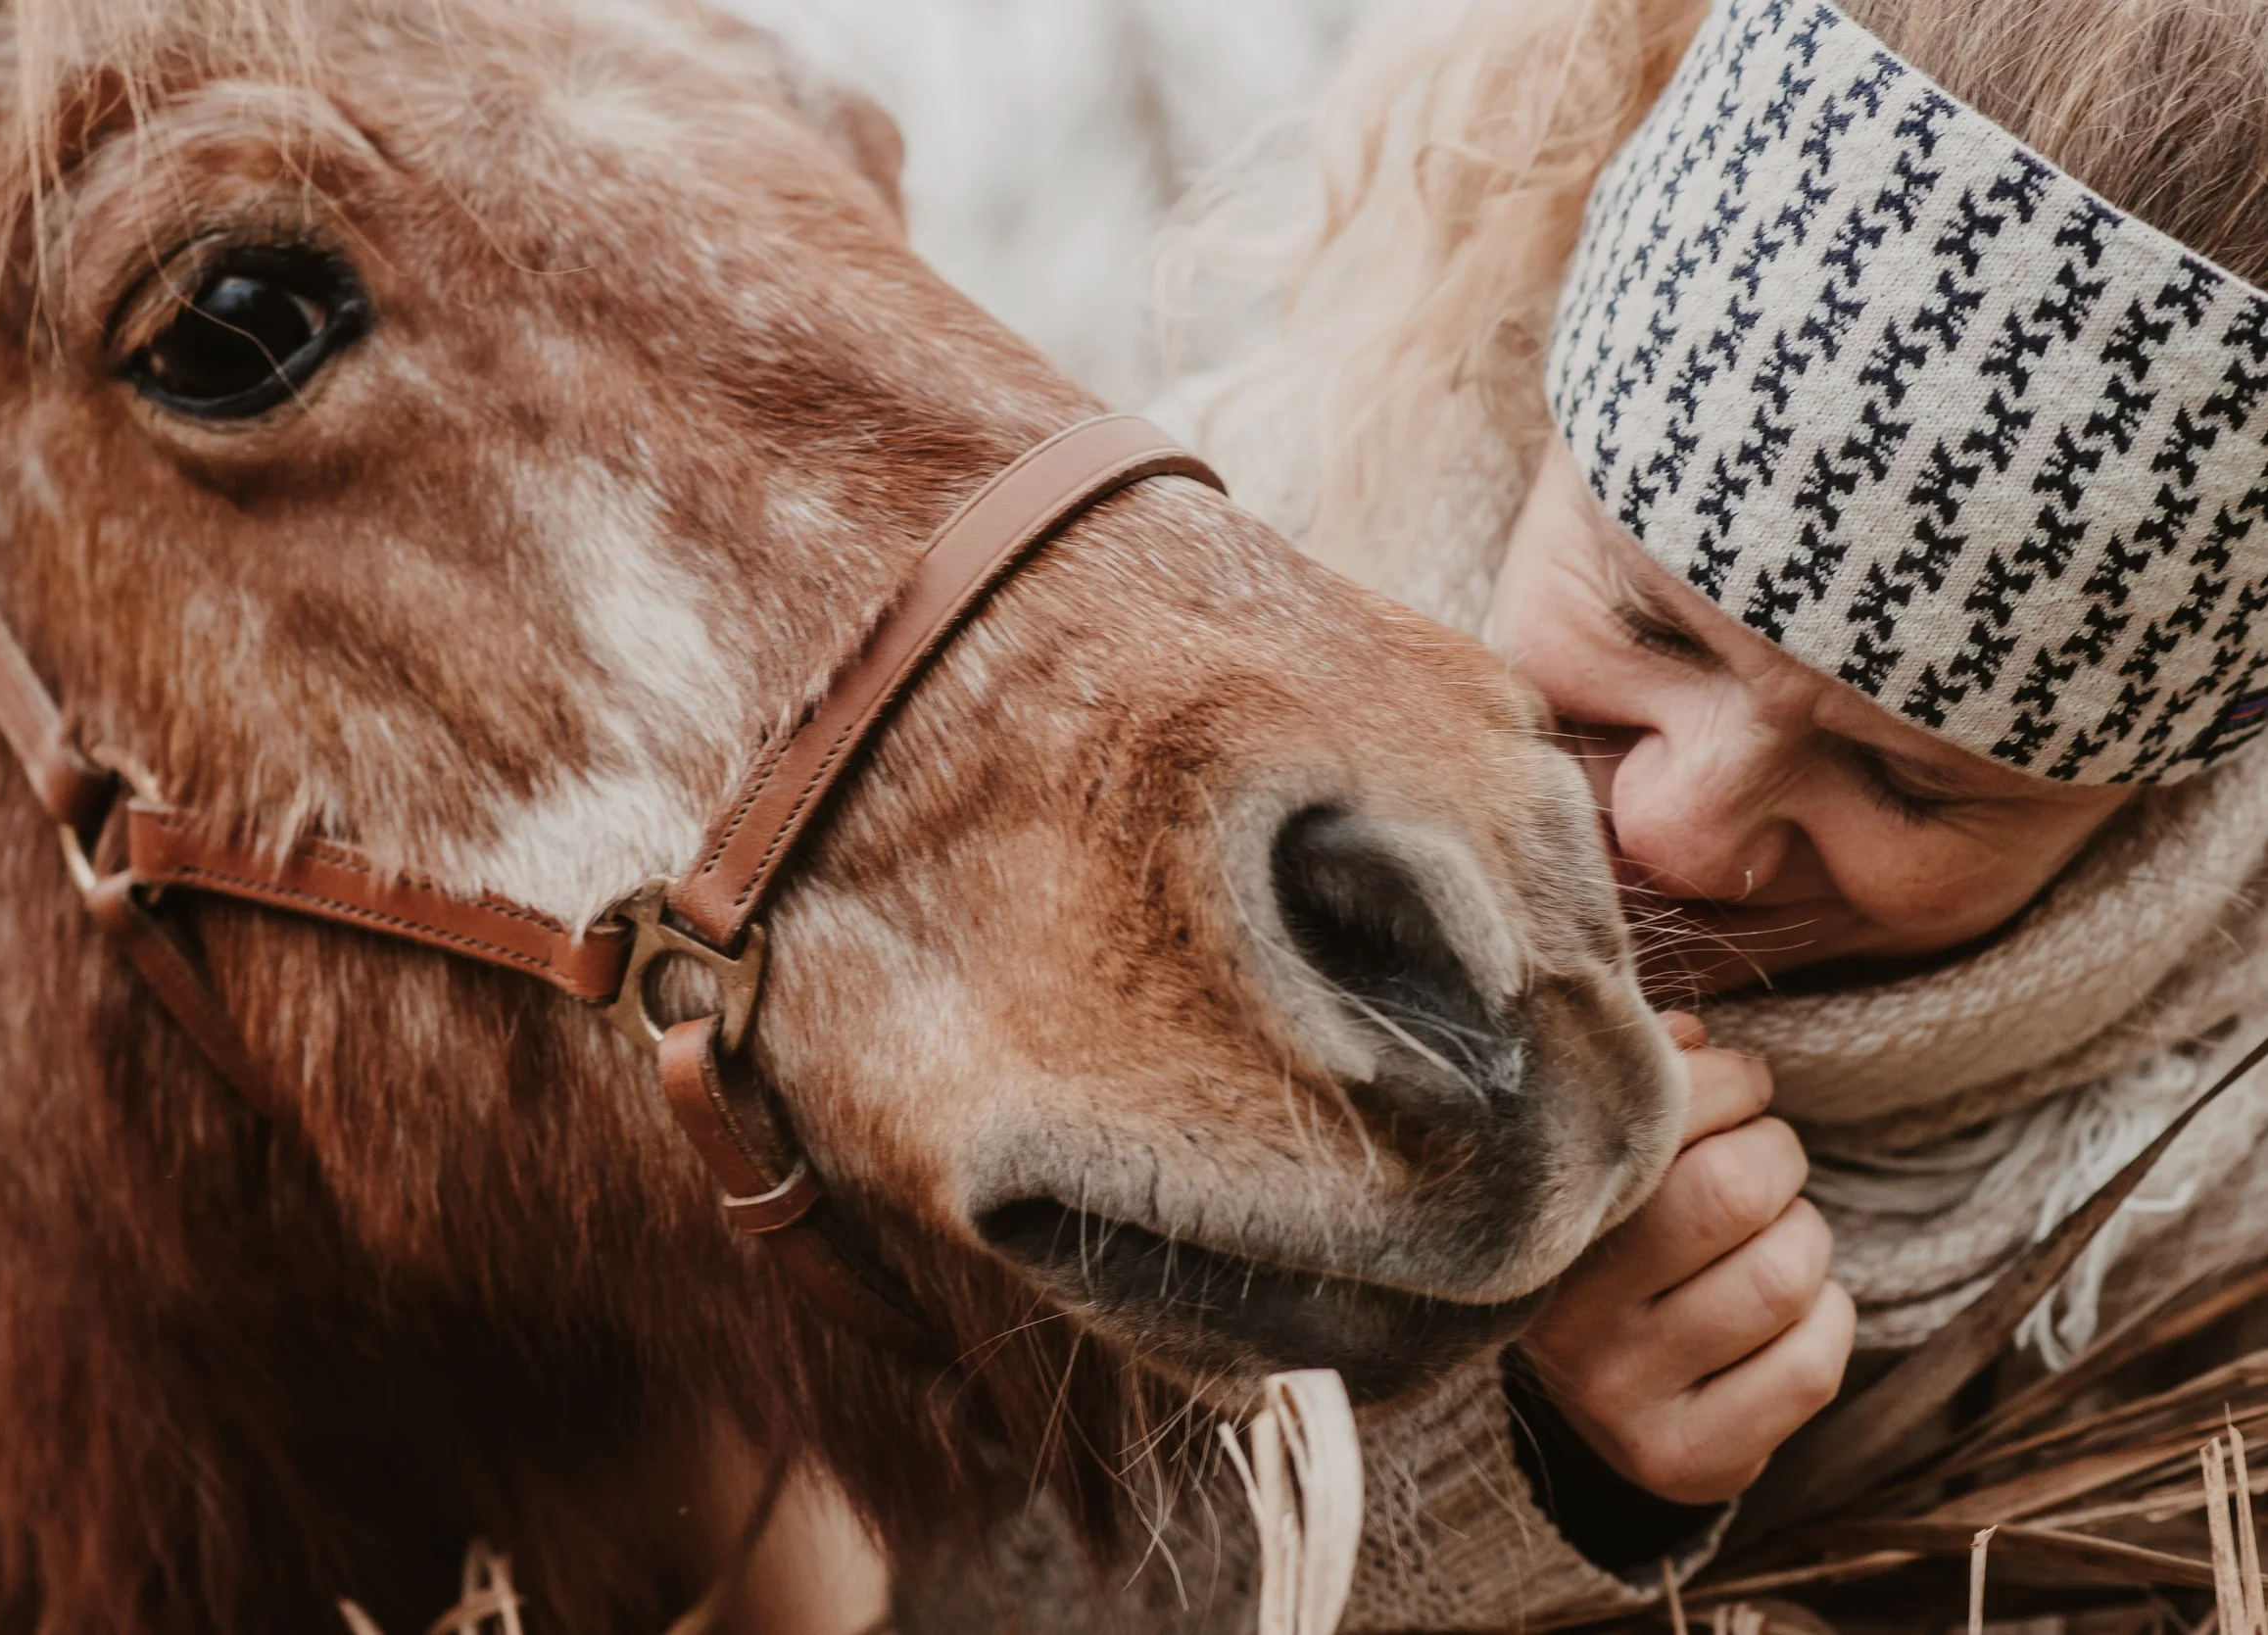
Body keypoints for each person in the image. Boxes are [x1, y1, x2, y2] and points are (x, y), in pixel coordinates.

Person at [893, 0, 2268, 1626]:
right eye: (1646, 625)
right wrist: (1477, 1424)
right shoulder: (1119, 729)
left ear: (2145, 809)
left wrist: (1592, 1474)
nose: (1686, 829)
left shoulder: (2212, 1257)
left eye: (1907, 778)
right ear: (1539, 412)